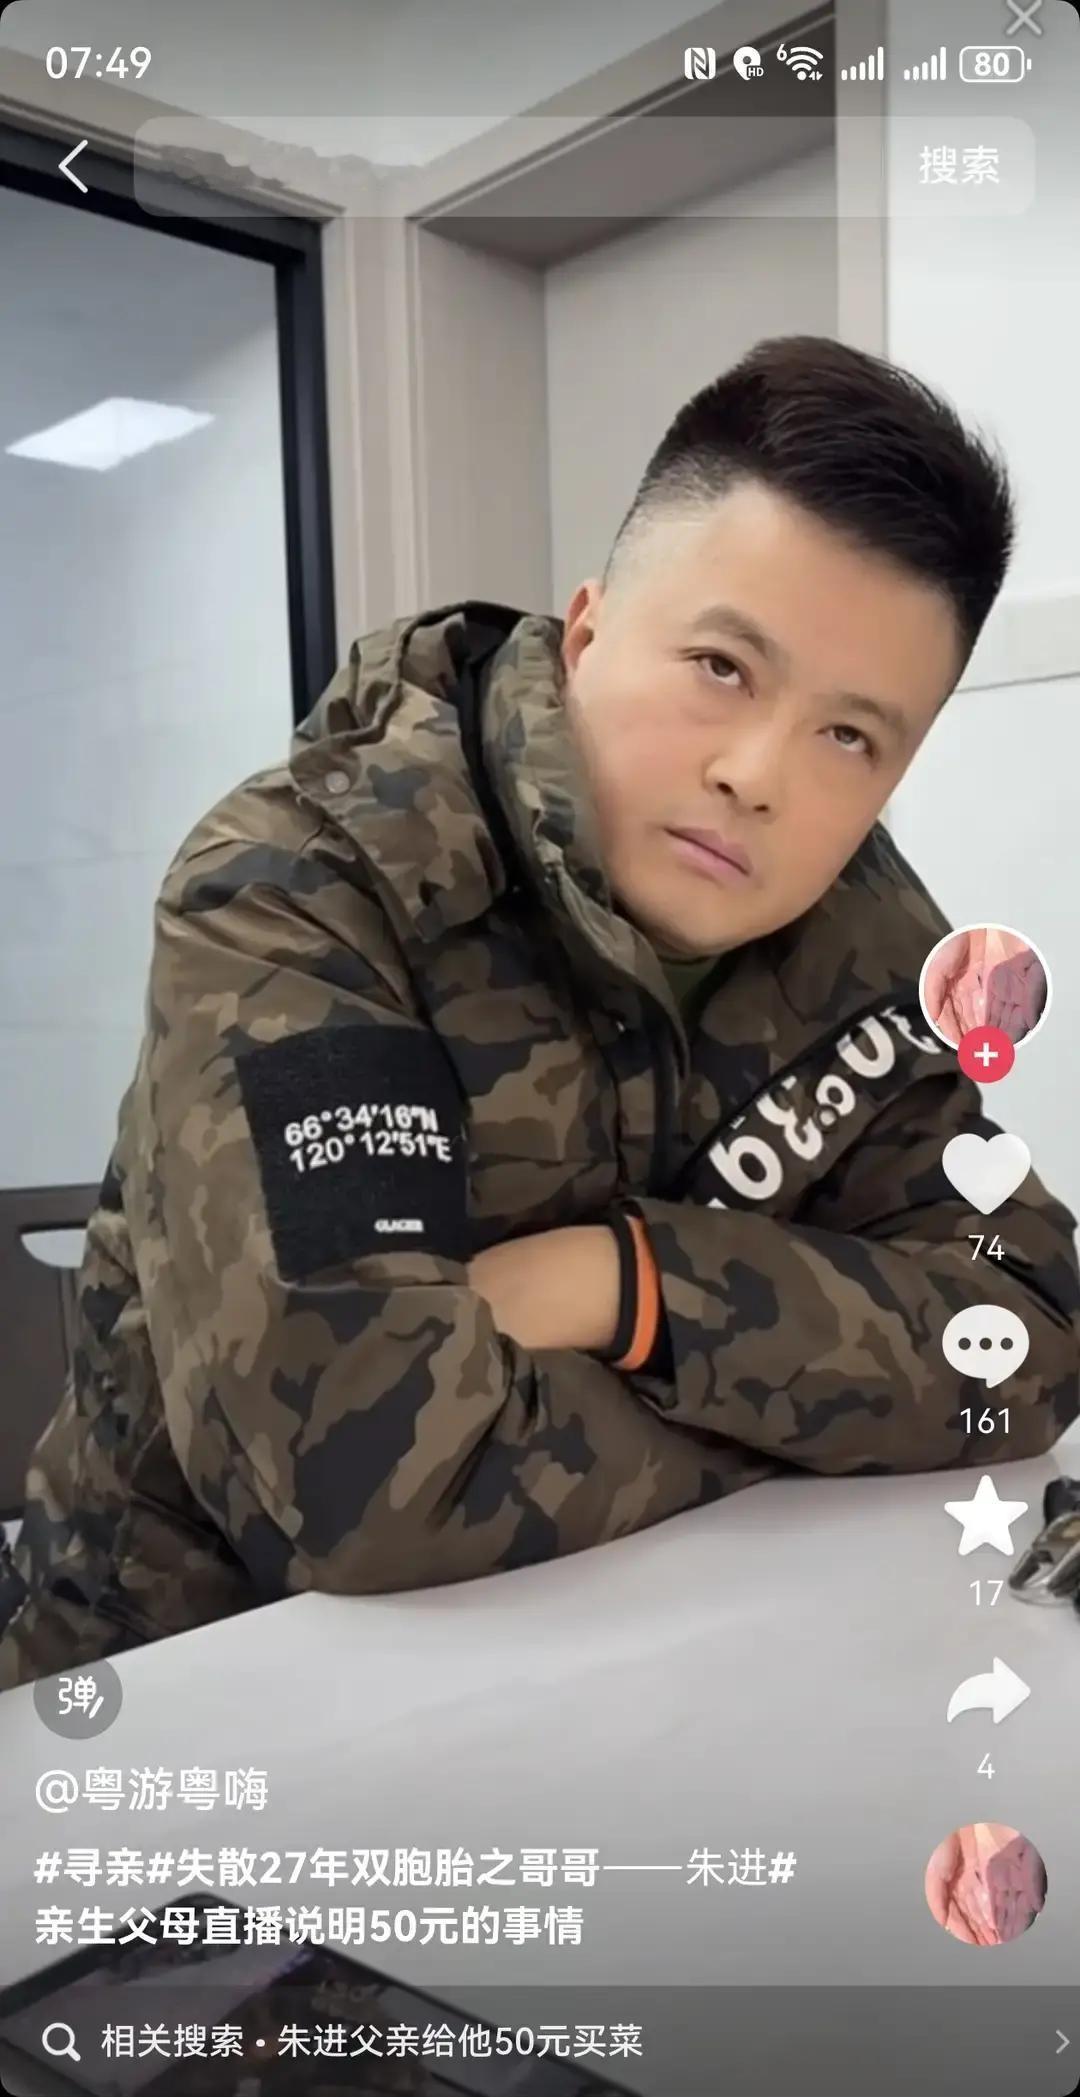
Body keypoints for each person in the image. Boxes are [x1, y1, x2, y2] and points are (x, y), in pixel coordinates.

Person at [1, 334, 1077, 1690]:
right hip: (197, 1696)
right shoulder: (310, 886)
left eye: (851, 736)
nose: (759, 774)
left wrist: (625, 1286)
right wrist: (823, 1400)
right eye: (723, 667)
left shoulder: (860, 940)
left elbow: (1027, 1330)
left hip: (645, 1663)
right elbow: (370, 1481)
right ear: (587, 631)